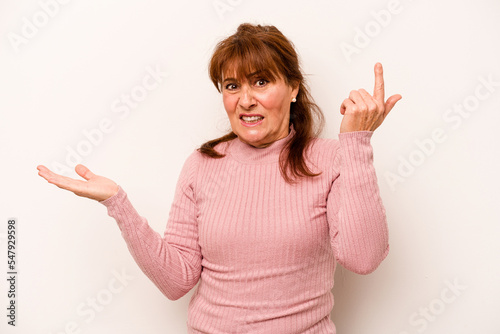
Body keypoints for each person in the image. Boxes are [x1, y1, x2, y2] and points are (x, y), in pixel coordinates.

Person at [37, 23, 401, 334]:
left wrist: (356, 142)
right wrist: (117, 202)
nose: (245, 100)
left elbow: (363, 258)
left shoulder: (331, 158)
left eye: (260, 82)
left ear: (293, 88)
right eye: (231, 86)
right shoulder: (202, 164)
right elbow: (177, 279)